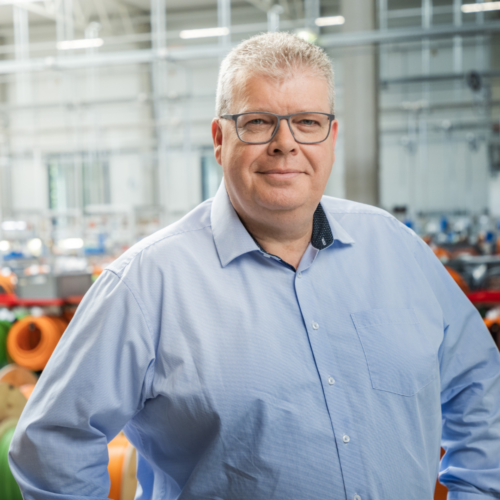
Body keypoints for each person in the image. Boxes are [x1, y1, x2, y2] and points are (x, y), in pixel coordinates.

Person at [9, 32, 500, 500]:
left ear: (331, 136)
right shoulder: (145, 284)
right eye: (258, 122)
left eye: (307, 122)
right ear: (220, 138)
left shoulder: (397, 251)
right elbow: (54, 443)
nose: (285, 143)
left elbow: (482, 386)